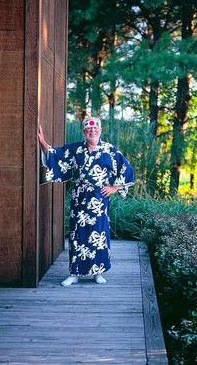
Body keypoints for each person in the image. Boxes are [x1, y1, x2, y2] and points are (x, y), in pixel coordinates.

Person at [38, 117, 134, 286]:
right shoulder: (75, 149)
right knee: (78, 234)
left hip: (99, 199)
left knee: (99, 234)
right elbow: (57, 156)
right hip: (80, 198)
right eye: (88, 129)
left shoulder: (110, 150)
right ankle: (74, 273)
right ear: (84, 132)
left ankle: (98, 272)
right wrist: (43, 142)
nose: (92, 131)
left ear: (100, 131)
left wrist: (114, 188)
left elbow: (126, 169)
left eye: (95, 129)